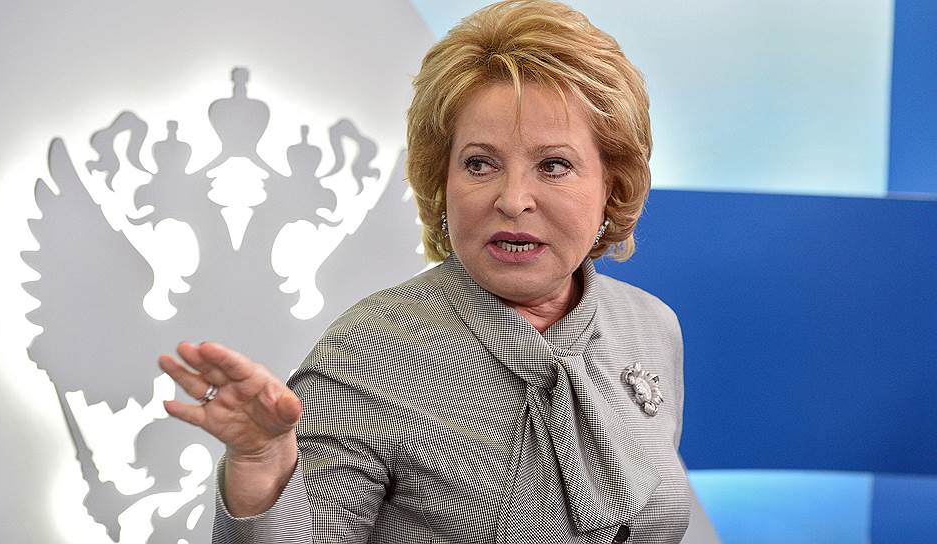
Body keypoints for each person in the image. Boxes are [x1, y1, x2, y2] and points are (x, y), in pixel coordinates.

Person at [159, 1, 691, 542]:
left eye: (553, 165)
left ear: (612, 185)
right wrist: (263, 466)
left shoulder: (650, 327)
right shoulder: (366, 354)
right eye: (479, 164)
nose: (512, 200)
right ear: (442, 181)